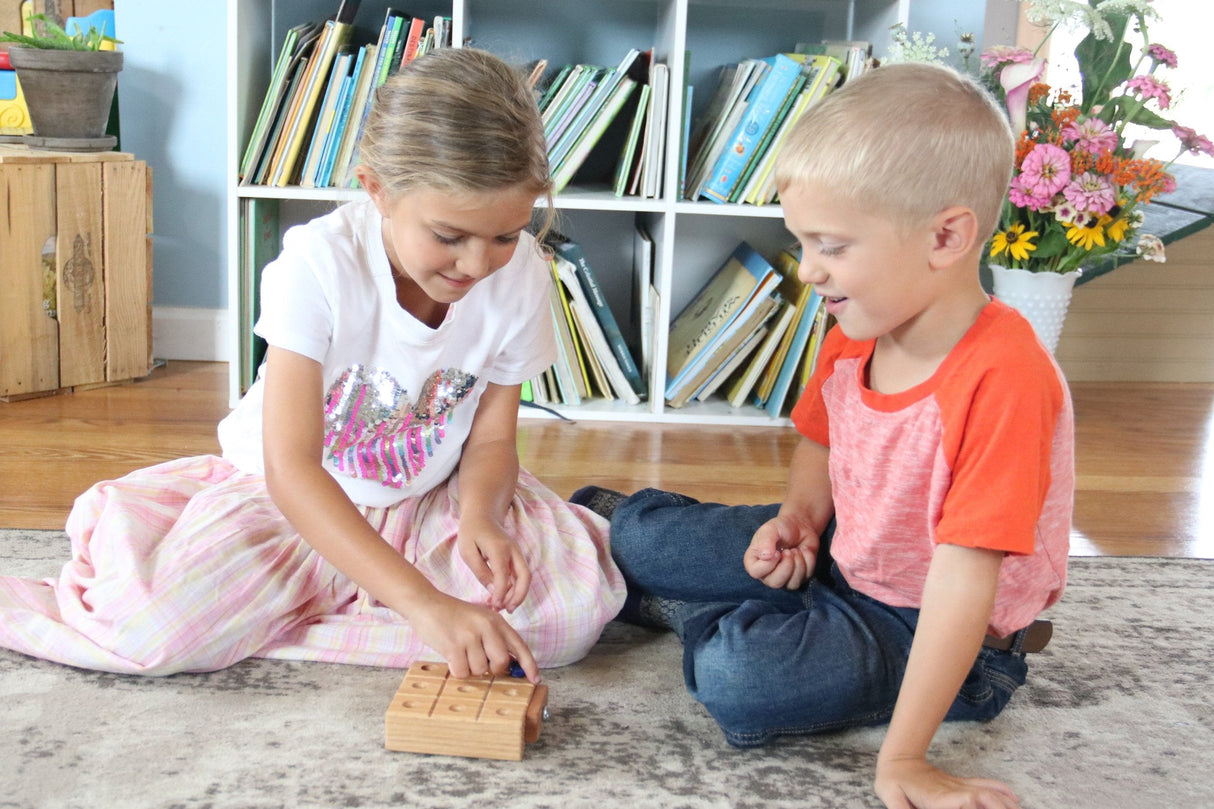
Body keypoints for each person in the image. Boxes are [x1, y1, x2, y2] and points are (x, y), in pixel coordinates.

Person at [0, 47, 625, 682]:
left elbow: (491, 437)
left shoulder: (521, 274)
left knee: (563, 624)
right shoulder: (318, 266)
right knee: (144, 633)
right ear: (377, 190)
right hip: (294, 498)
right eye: (448, 236)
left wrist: (481, 517)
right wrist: (424, 604)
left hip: (432, 495)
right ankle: (378, 606)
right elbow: (292, 468)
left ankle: (303, 610)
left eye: (503, 235)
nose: (475, 265)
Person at [573, 62, 1072, 809]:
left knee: (739, 680)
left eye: (831, 246)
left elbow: (965, 580)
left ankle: (675, 606)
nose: (808, 271)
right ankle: (620, 550)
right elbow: (823, 439)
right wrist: (800, 520)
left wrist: (904, 758)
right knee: (639, 539)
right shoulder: (859, 324)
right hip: (842, 553)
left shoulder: (1007, 379)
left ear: (945, 235)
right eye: (802, 242)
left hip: (932, 627)